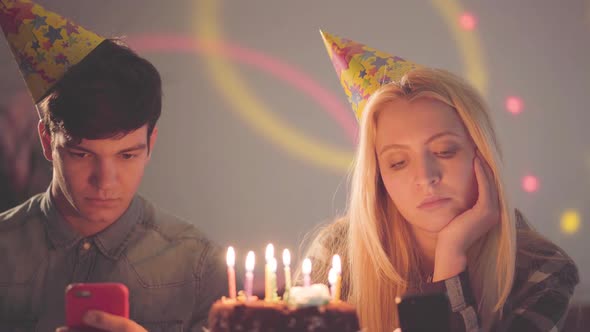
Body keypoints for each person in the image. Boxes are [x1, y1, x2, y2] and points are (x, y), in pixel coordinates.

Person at [295, 31, 579, 332]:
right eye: (398, 162)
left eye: (445, 151)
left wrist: (451, 255)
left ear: (481, 155)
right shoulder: (335, 254)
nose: (426, 177)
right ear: (379, 179)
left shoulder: (542, 269)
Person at [0, 1, 228, 331]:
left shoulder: (199, 266)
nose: (105, 182)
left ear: (151, 144)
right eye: (82, 154)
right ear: (48, 141)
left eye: (127, 155)